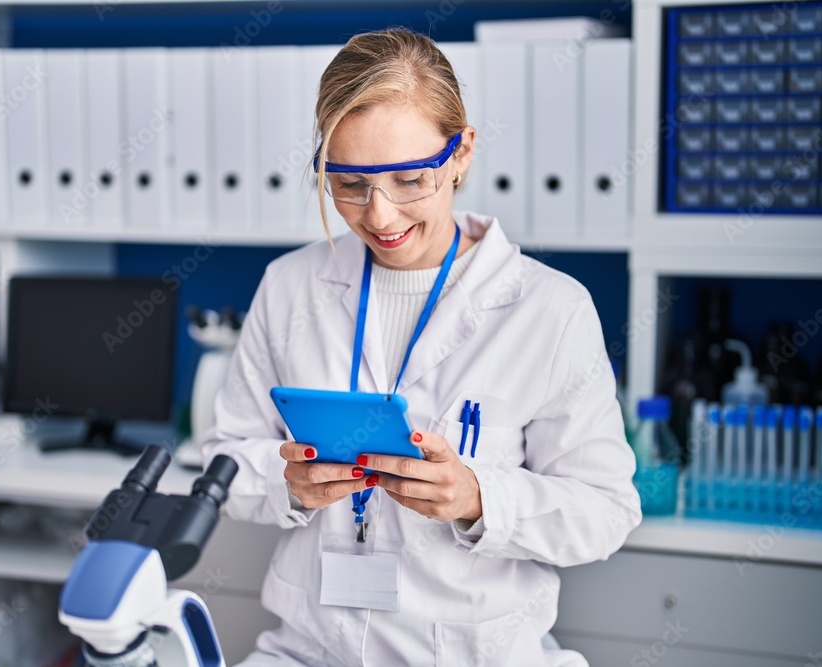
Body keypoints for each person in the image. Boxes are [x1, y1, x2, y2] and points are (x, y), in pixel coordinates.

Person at [202, 27, 641, 667]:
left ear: (461, 152)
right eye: (349, 183)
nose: (380, 215)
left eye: (410, 178)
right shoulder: (290, 286)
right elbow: (225, 461)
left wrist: (478, 498)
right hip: (309, 653)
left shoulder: (550, 308)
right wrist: (287, 482)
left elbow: (606, 511)